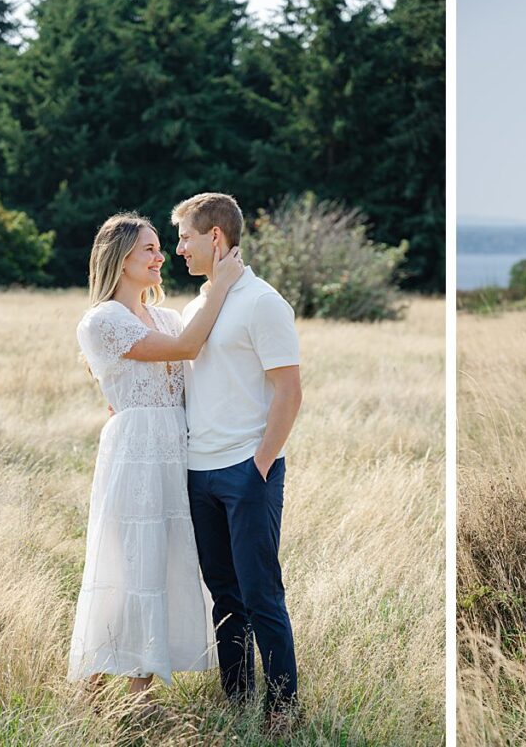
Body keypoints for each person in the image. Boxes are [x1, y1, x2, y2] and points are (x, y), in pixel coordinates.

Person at [69, 212, 243, 705]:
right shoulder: (102, 321)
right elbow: (190, 346)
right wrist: (220, 286)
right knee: (128, 566)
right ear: (121, 260)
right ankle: (100, 693)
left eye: (160, 247)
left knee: (164, 562)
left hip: (176, 450)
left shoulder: (166, 316)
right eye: (149, 248)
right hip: (136, 451)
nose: (161, 256)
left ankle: (138, 688)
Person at [171, 193, 303, 734]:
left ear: (216, 238)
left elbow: (289, 391)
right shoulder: (195, 308)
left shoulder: (262, 302)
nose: (178, 248)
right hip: (198, 473)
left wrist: (260, 464)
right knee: (223, 595)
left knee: (260, 593)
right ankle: (237, 700)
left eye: (184, 237)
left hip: (246, 473)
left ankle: (283, 713)